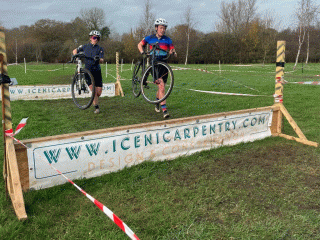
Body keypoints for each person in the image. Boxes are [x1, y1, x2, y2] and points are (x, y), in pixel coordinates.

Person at [137, 18, 177, 119]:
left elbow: (172, 48)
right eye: (161, 28)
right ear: (156, 28)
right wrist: (142, 52)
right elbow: (140, 44)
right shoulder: (150, 38)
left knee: (161, 87)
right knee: (162, 86)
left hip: (164, 64)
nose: (162, 30)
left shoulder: (168, 39)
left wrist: (173, 52)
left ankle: (157, 101)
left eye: (164, 28)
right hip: (154, 64)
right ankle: (165, 111)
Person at [73, 30, 104, 114]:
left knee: (99, 93)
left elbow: (102, 59)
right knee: (93, 91)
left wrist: (99, 59)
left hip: (97, 71)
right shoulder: (85, 46)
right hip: (88, 72)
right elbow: (75, 51)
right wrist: (76, 58)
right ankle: (96, 107)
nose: (96, 39)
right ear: (91, 38)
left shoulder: (100, 49)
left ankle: (96, 102)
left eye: (97, 38)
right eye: (94, 37)